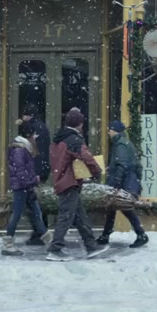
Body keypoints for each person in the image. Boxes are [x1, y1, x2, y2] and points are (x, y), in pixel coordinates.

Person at [46, 108, 110, 262]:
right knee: (65, 218)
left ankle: (91, 246)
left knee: (80, 217)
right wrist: (96, 171)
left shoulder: (58, 138)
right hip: (69, 183)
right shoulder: (74, 140)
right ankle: (55, 249)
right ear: (80, 124)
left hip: (63, 181)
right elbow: (86, 157)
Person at [98, 120, 149, 248]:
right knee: (112, 208)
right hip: (127, 182)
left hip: (125, 183)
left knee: (126, 208)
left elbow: (122, 165)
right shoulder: (122, 143)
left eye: (110, 130)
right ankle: (106, 235)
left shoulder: (121, 144)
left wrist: (116, 183)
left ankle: (141, 234)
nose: (108, 132)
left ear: (115, 131)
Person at [2, 122, 50, 256]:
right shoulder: (20, 150)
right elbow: (21, 172)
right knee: (17, 214)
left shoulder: (23, 148)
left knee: (36, 213)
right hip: (21, 188)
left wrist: (31, 181)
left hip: (26, 187)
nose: (36, 137)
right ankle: (8, 244)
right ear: (29, 135)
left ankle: (49, 241)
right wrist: (33, 180)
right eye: (34, 134)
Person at [18, 105, 51, 183]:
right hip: (36, 167)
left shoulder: (34, 127)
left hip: (35, 169)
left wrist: (38, 171)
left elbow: (40, 150)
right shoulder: (38, 126)